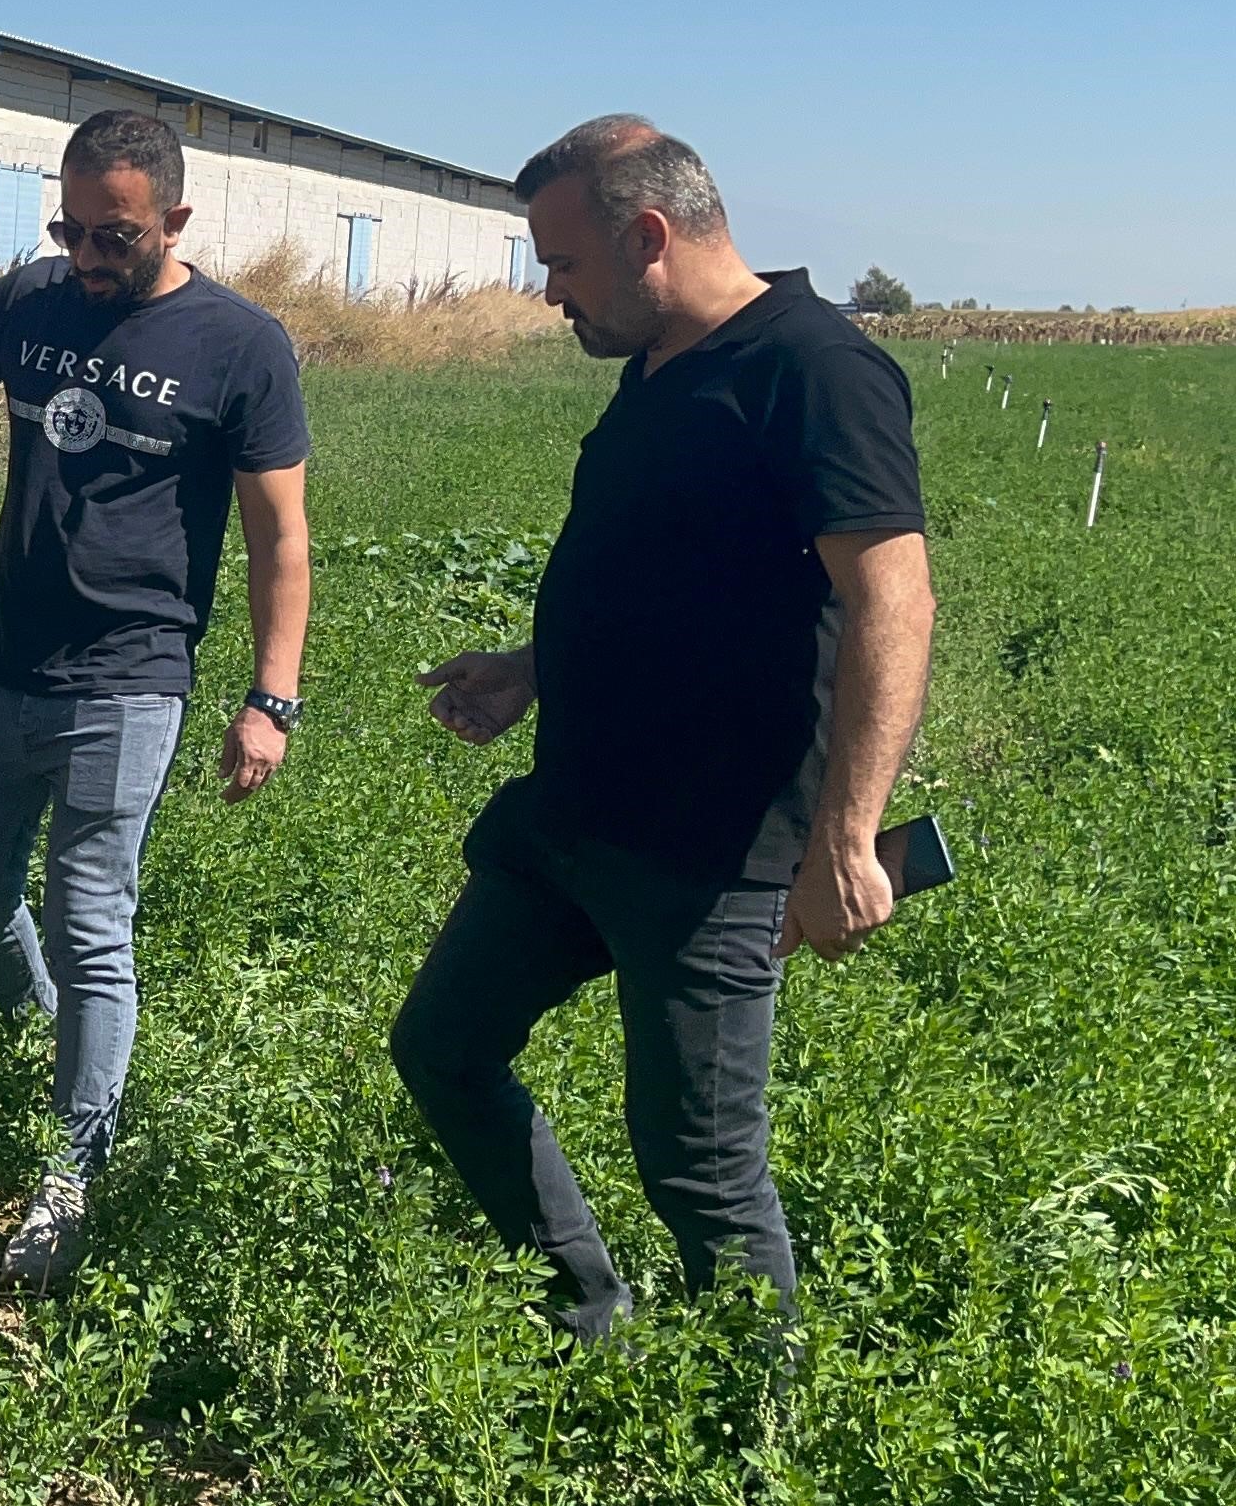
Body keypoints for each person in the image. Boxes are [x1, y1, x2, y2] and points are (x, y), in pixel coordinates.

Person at [393, 116, 932, 1344]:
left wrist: (845, 838)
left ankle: (751, 1465)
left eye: (563, 264)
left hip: (709, 851)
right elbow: (673, 578)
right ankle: (589, 1320)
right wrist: (533, 668)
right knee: (442, 1047)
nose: (549, 295)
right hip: (573, 816)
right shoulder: (656, 368)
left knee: (698, 1169)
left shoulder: (813, 368)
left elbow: (891, 599)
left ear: (648, 238)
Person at [0, 109, 312, 1289]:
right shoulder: (28, 302)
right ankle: (49, 1051)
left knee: (92, 925)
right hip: (1, 661)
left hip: (129, 677)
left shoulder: (239, 344)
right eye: (70, 228)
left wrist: (268, 697)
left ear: (173, 220)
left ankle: (67, 1174)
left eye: (113, 234)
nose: (86, 253)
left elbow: (279, 536)